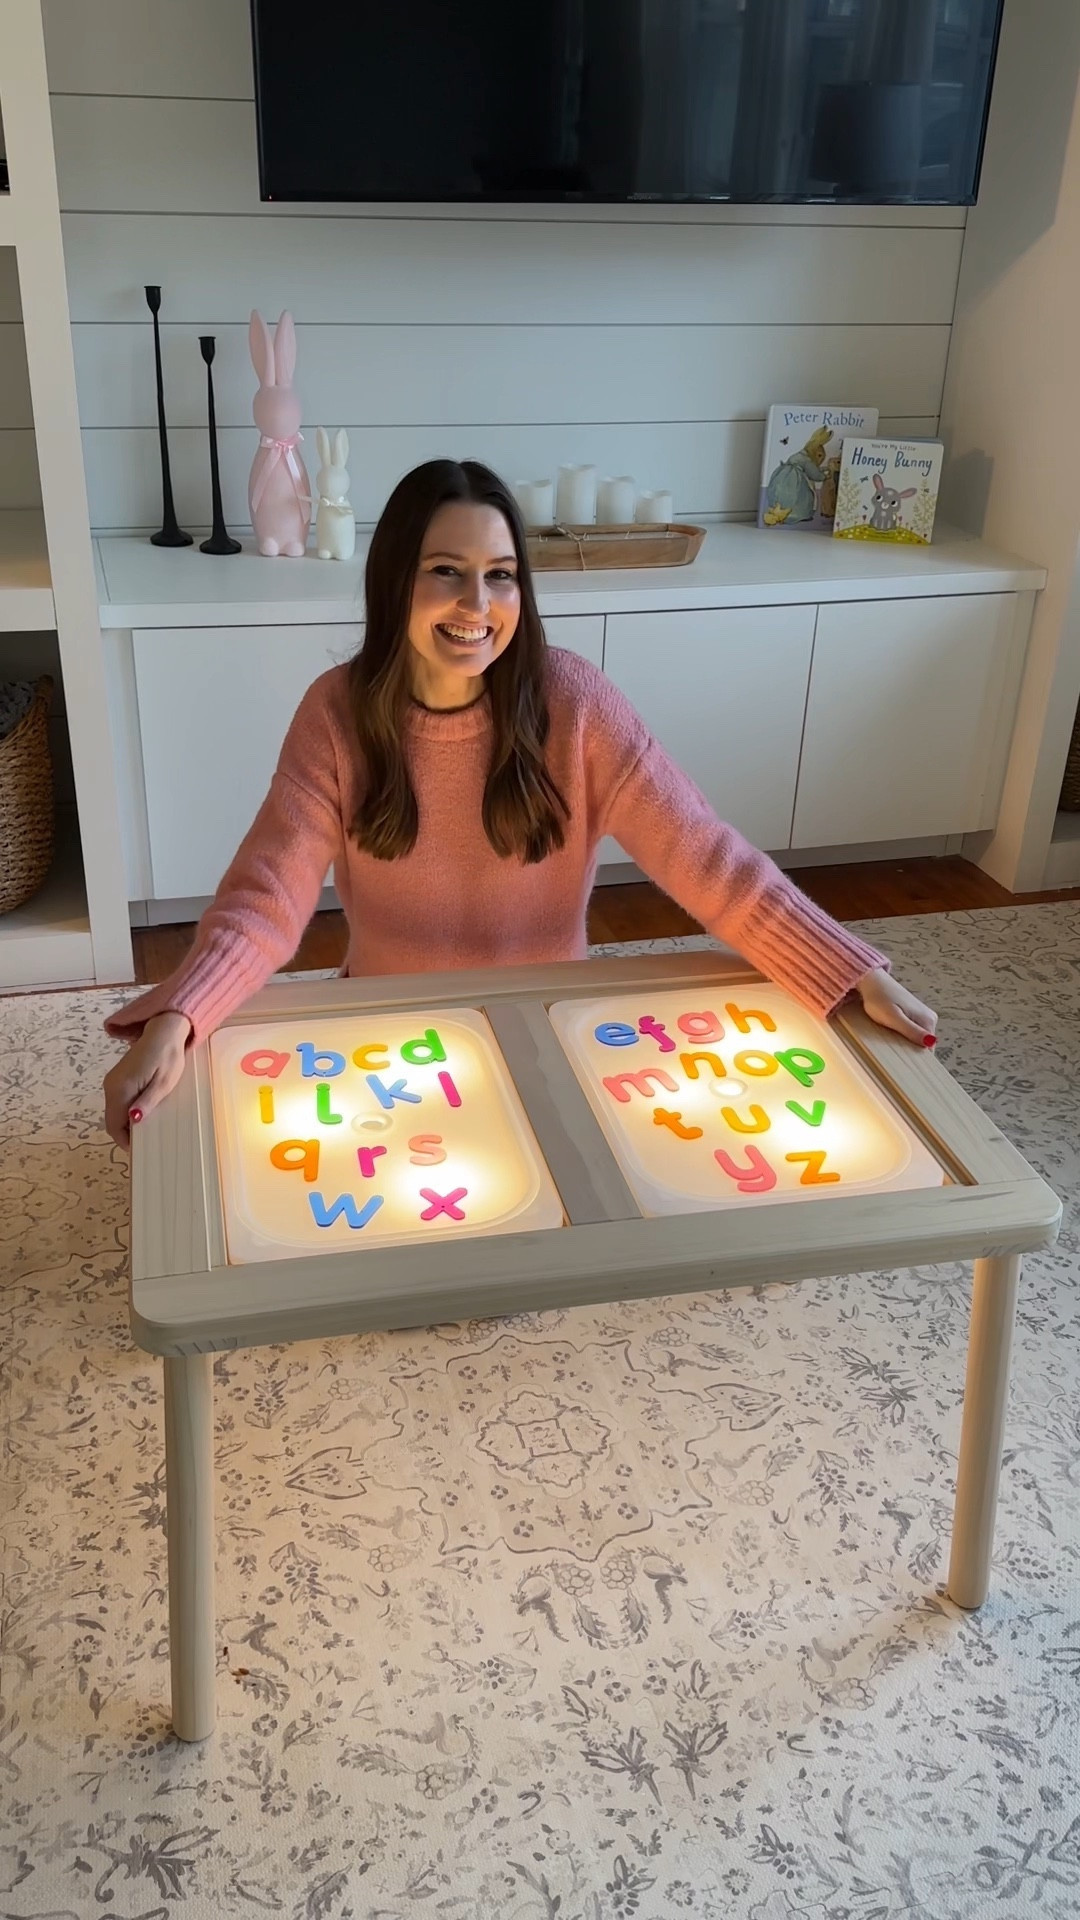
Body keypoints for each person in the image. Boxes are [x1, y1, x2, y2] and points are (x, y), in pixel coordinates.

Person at [102, 459, 936, 1149]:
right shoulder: (336, 712)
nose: (478, 606)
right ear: (395, 582)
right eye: (445, 574)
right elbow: (266, 900)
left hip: (555, 1030)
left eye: (500, 577)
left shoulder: (576, 702)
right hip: (387, 1036)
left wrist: (844, 966)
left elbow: (705, 856)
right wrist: (183, 1013)